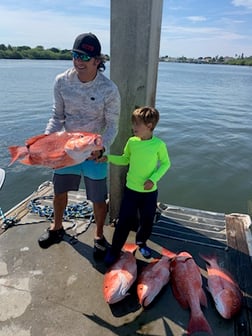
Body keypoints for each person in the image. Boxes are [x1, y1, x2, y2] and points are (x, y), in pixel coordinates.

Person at [38, 32, 121, 259]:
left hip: (94, 151)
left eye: (85, 57)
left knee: (97, 197)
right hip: (67, 147)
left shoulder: (109, 89)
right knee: (59, 190)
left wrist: (103, 148)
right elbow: (57, 117)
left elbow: (113, 124)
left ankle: (99, 235)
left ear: (97, 61)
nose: (78, 61)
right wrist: (48, 141)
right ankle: (57, 228)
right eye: (75, 55)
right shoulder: (61, 81)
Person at [98, 106, 171, 266]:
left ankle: (141, 242)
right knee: (123, 221)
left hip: (149, 193)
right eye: (133, 124)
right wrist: (108, 158)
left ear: (150, 126)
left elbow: (166, 163)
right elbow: (125, 159)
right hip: (131, 190)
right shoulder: (132, 142)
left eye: (137, 124)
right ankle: (115, 249)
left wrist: (153, 179)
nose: (133, 127)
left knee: (146, 221)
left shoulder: (158, 145)